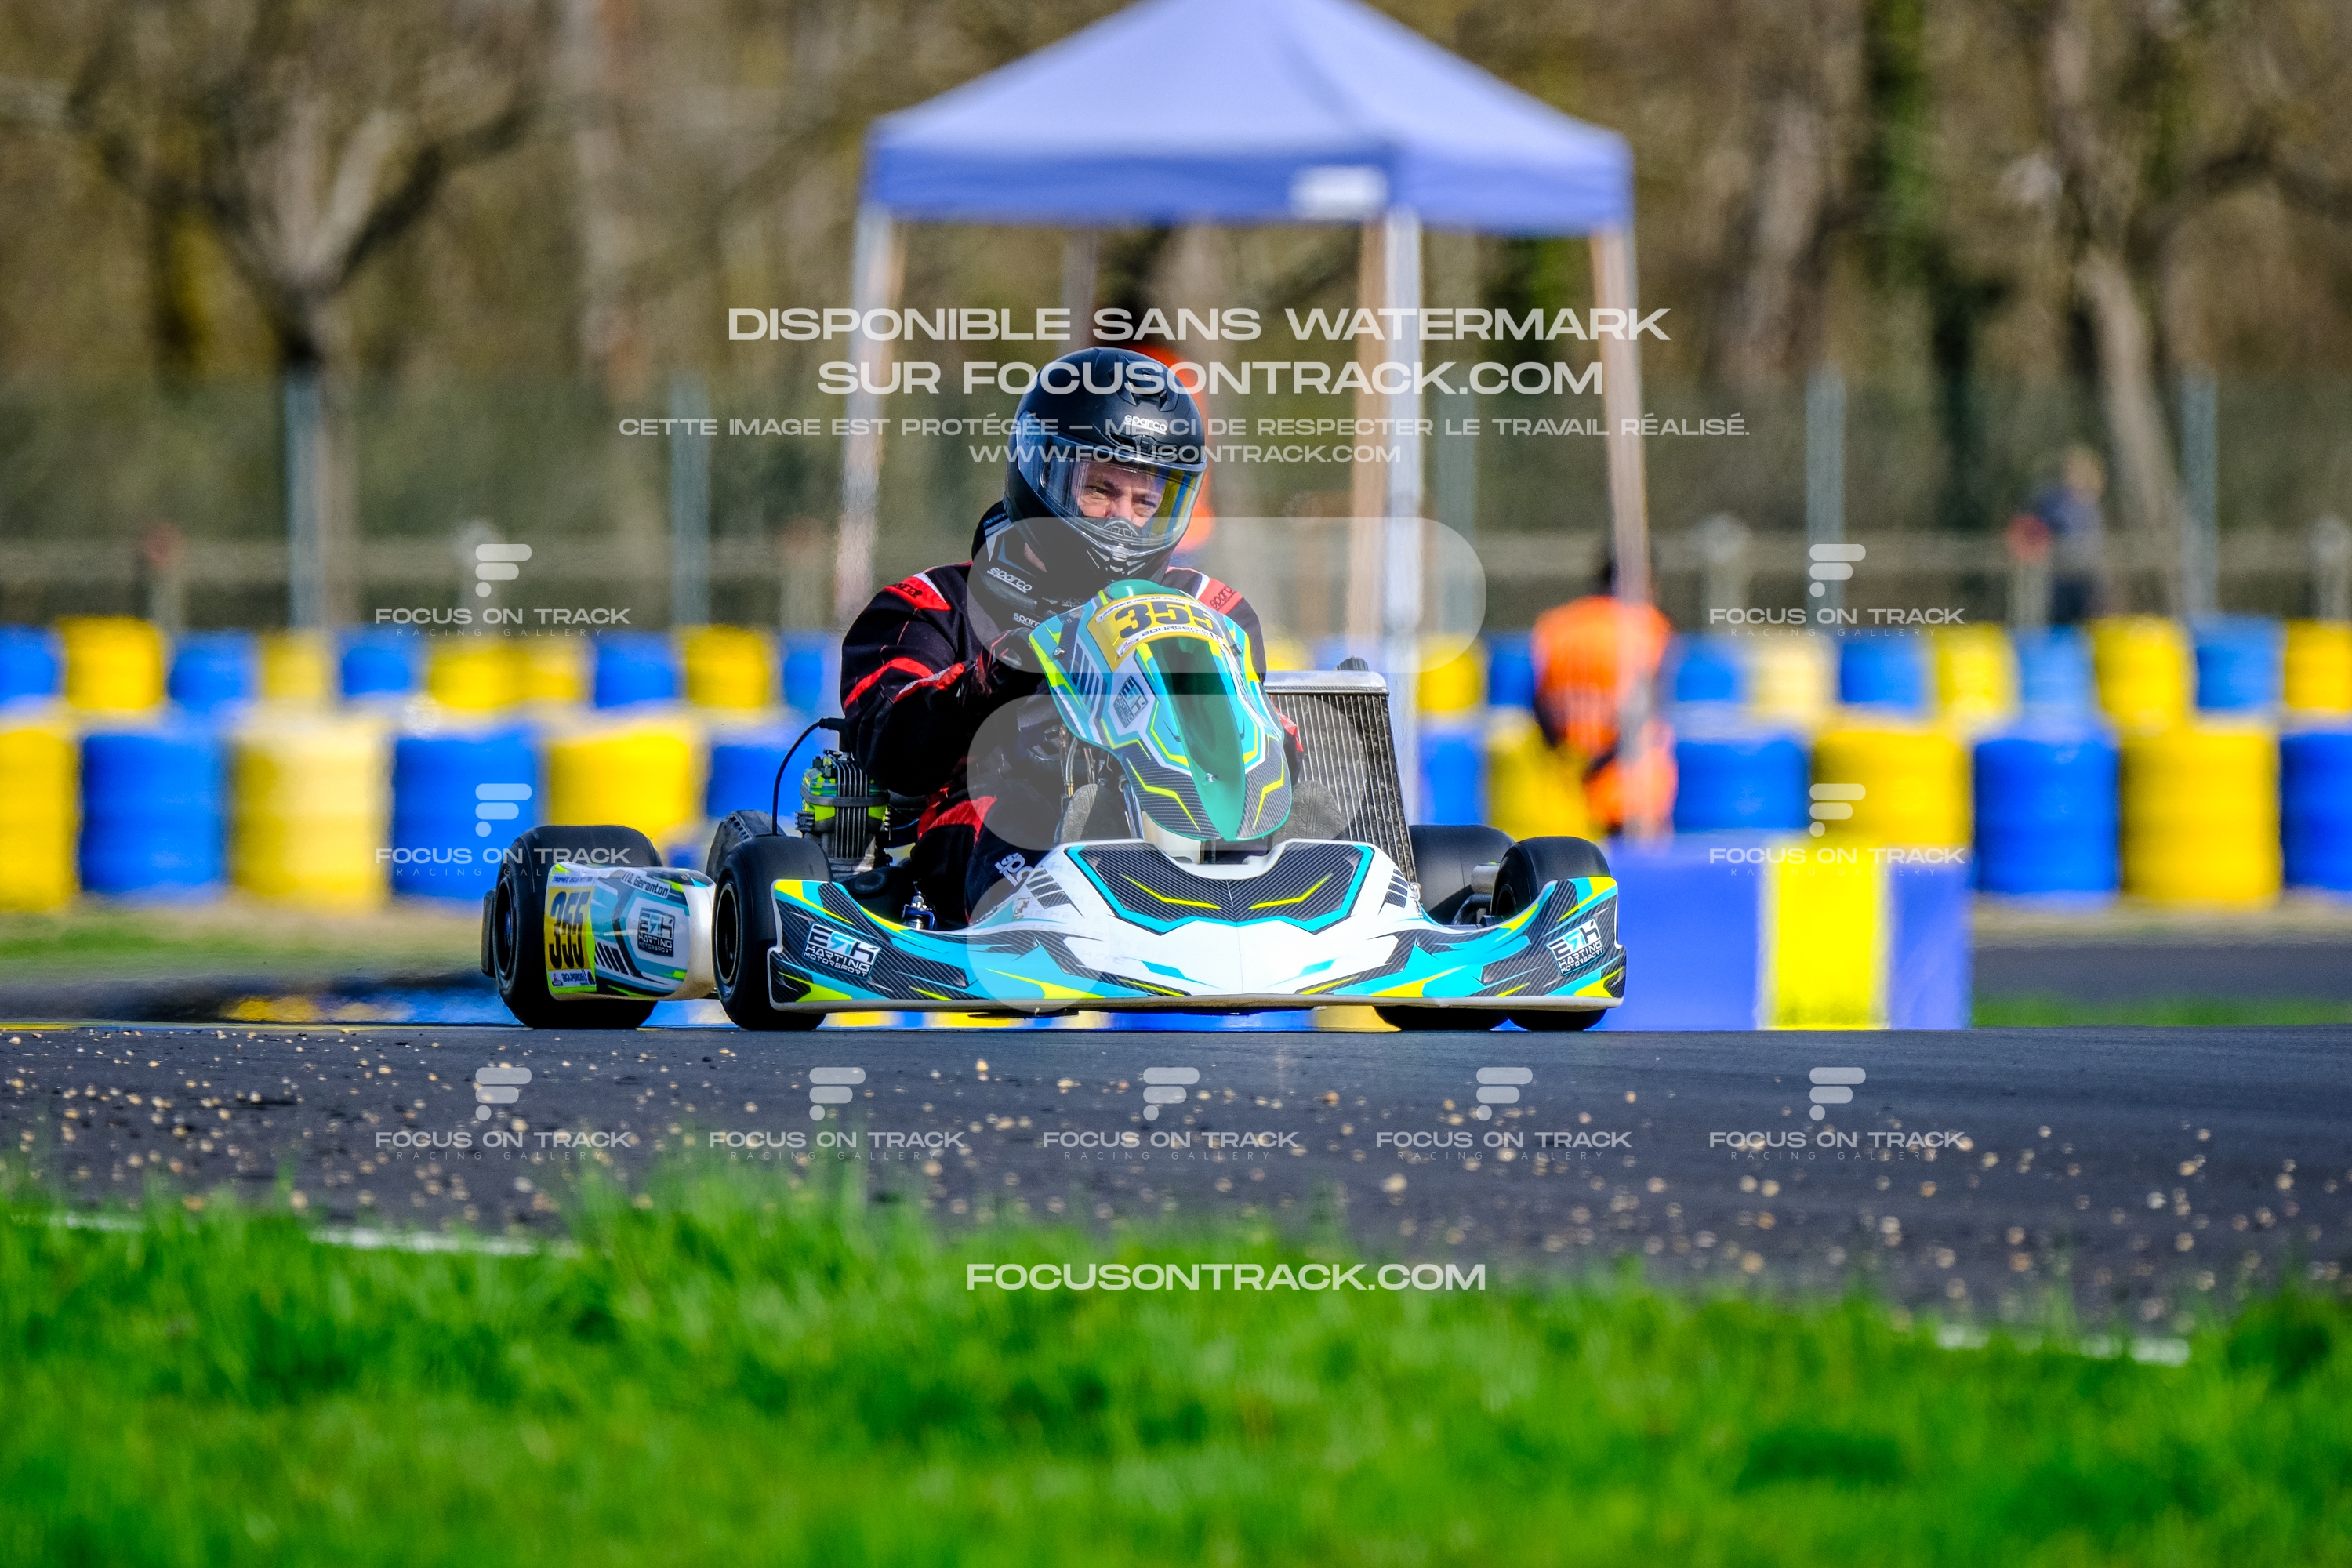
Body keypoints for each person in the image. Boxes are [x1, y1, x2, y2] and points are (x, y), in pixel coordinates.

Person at [839, 345, 1274, 927]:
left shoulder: (1213, 611)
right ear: (1041, 472)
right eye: (1102, 490)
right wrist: (996, 676)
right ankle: (1049, 923)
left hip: (1185, 821)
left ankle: (1263, 910)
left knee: (1303, 811)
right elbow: (892, 752)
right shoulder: (934, 605)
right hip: (992, 826)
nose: (1124, 520)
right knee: (1040, 813)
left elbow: (1249, 747)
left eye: (1146, 501)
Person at [1527, 561, 1675, 835]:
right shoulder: (1646, 626)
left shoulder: (1556, 625)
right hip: (1628, 784)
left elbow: (1538, 702)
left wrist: (1572, 758)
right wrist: (1605, 758)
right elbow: (1646, 707)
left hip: (1564, 787)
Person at [2018, 445, 2108, 625]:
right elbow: (2029, 527)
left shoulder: (2092, 508)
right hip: (2059, 580)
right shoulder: (2053, 504)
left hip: (2087, 580)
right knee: (2060, 624)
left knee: (2089, 624)